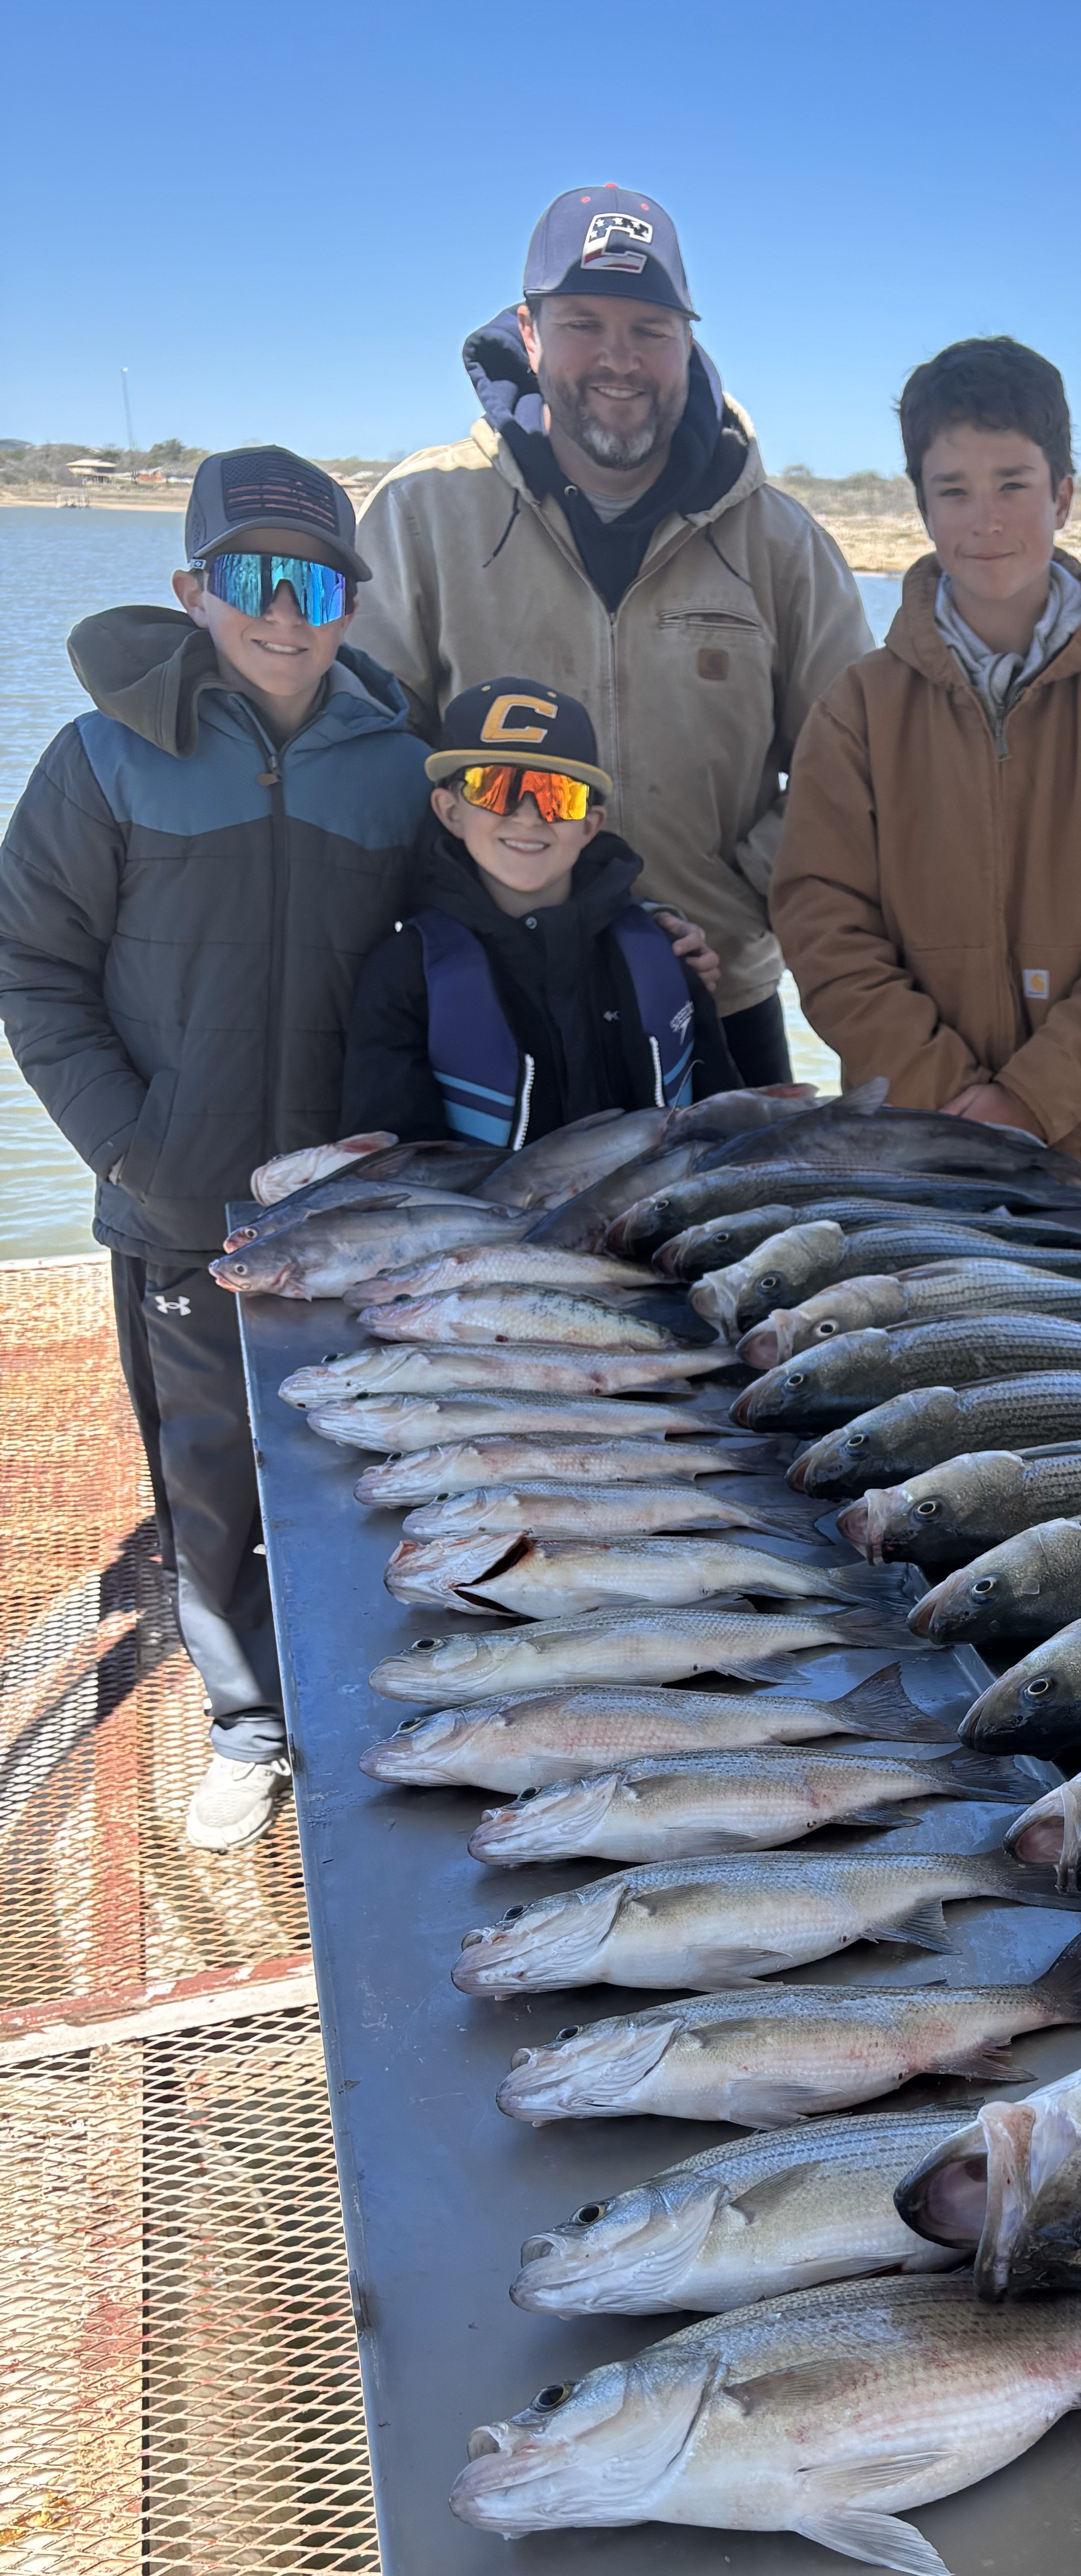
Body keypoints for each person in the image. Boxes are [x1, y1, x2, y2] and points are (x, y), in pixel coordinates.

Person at [0, 449, 433, 1850]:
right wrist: (128, 1146)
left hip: (354, 1218)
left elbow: (474, 924)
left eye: (315, 580)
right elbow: (31, 961)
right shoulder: (103, 755)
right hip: (175, 1211)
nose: (285, 611)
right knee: (208, 1480)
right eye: (251, 576)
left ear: (352, 603)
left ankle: (368, 1704)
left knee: (365, 1469)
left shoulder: (400, 762)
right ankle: (247, 1725)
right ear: (194, 589)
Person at [354, 185, 871, 1089]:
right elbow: (372, 757)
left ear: (688, 342)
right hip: (482, 1006)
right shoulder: (419, 513)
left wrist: (739, 894)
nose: (618, 359)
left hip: (716, 996)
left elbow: (855, 762)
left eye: (650, 329)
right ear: (528, 331)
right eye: (583, 323)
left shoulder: (782, 542)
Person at [771, 336, 1081, 1205]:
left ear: (1062, 495)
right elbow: (821, 921)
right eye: (954, 490)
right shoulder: (857, 710)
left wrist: (1029, 1101)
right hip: (911, 1150)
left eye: (1013, 485)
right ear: (923, 508)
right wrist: (949, 1101)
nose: (985, 519)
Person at [339, 676, 737, 1144]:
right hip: (488, 1217)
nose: (527, 816)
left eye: (557, 796)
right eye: (495, 789)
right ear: (450, 811)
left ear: (590, 825)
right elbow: (390, 1171)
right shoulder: (406, 973)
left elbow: (728, 1130)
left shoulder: (665, 954)